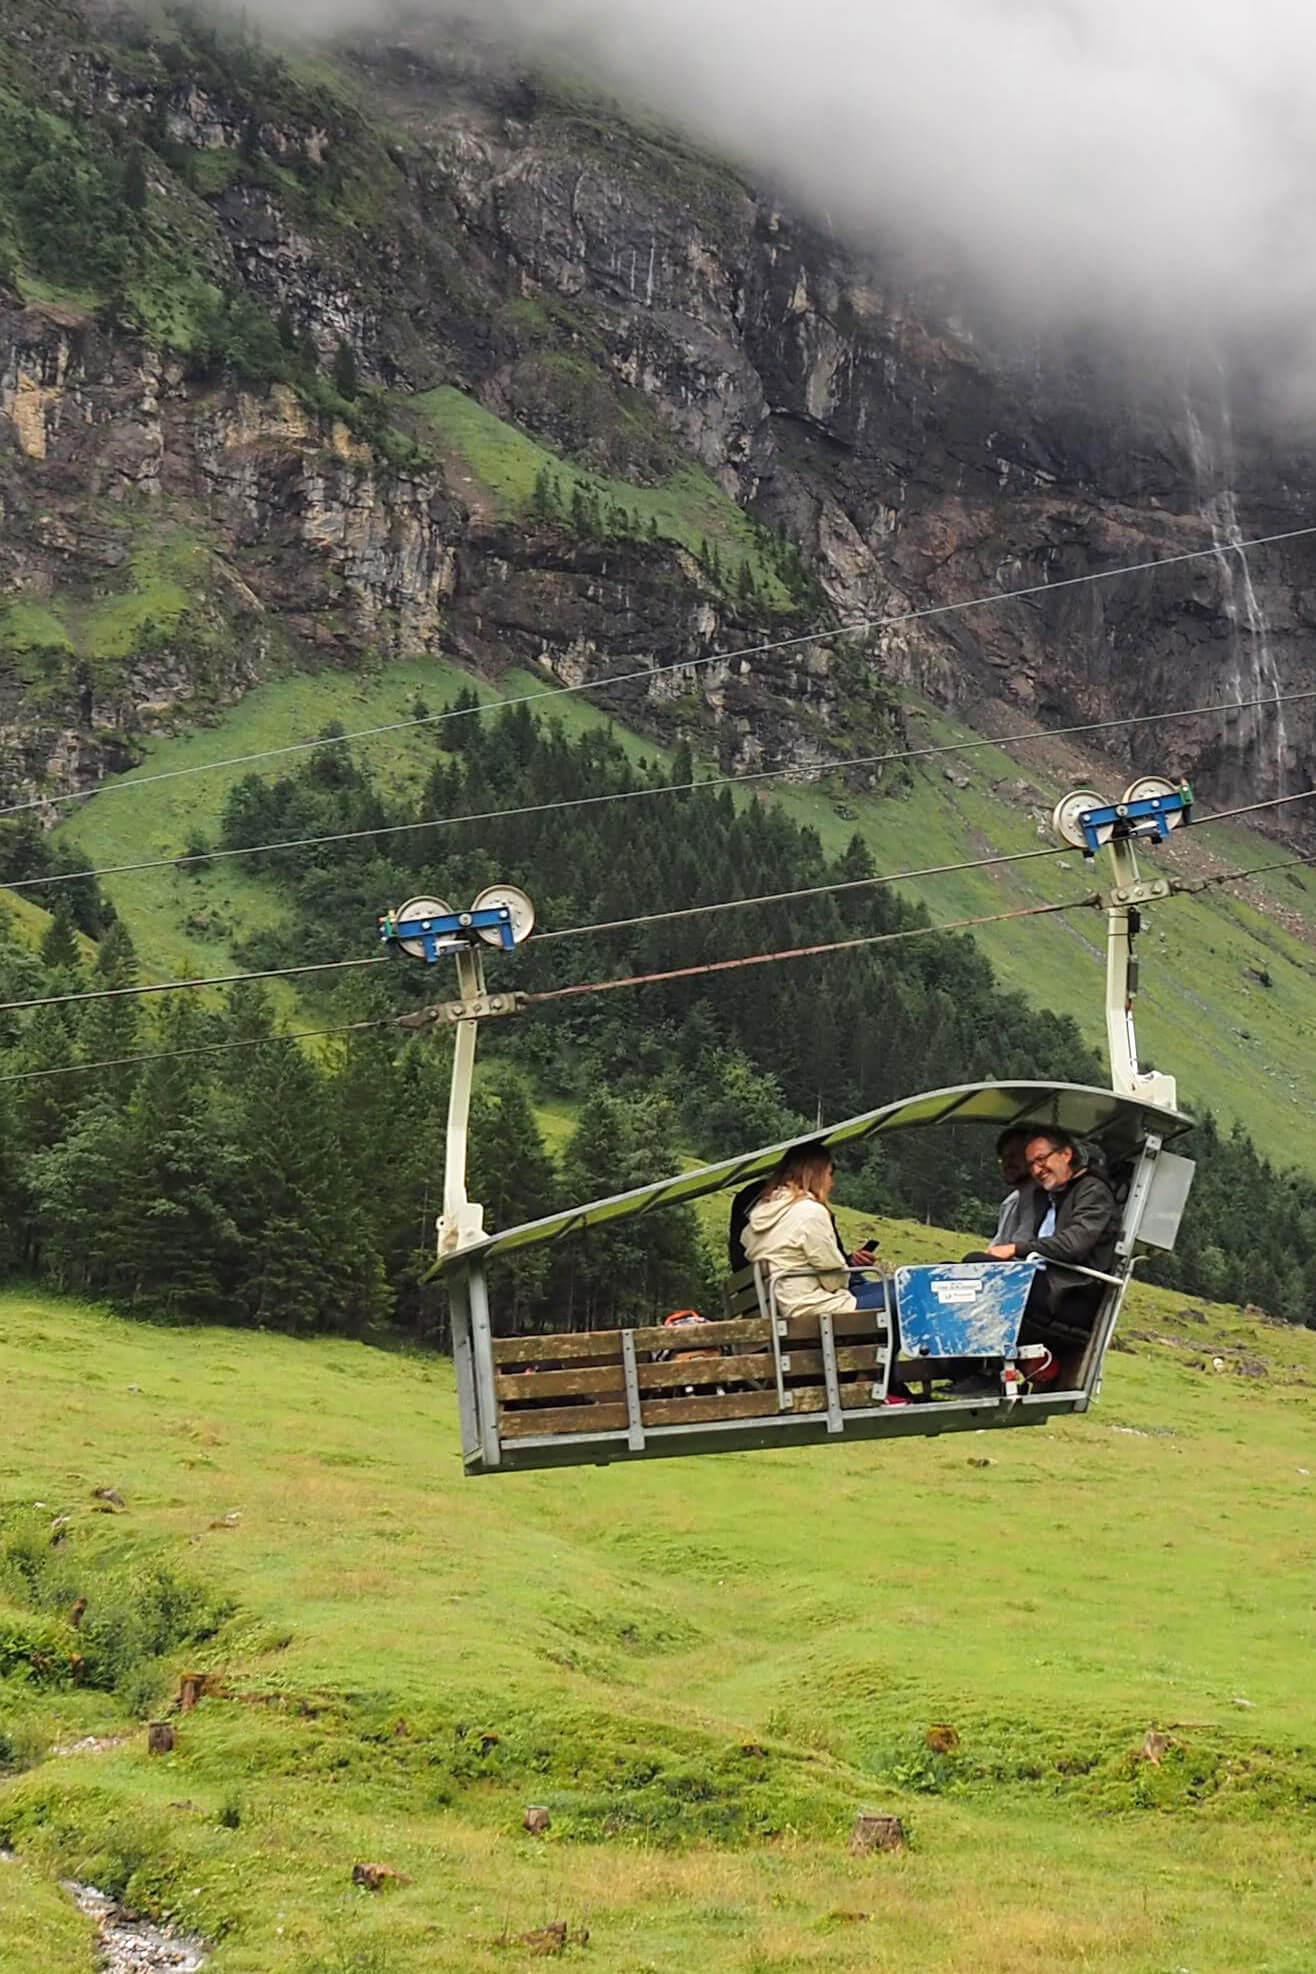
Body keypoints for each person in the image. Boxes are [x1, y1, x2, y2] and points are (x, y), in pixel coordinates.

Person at [987, 1128, 1120, 1330]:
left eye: (1041, 1159)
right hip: (1041, 1279)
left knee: (976, 1266)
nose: (1037, 1170)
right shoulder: (1051, 1194)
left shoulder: (1092, 1191)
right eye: (1031, 1164)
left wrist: (1016, 1249)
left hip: (1067, 1291)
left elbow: (1073, 1245)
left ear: (1066, 1154)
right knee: (954, 1274)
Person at [741, 1144, 886, 1319]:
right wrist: (845, 1275)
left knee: (900, 1291)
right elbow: (833, 1280)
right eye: (829, 1174)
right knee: (914, 1291)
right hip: (813, 1307)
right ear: (815, 1176)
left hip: (788, 1304)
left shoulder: (765, 1211)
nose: (832, 1183)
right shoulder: (809, 1212)